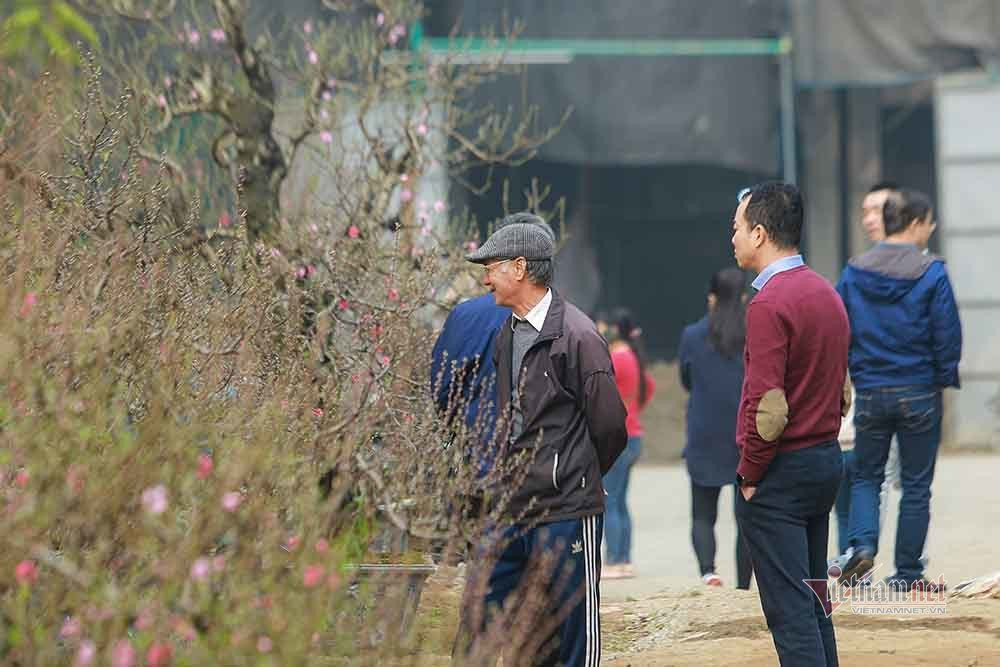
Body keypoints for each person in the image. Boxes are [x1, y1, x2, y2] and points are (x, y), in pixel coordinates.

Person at [462, 216, 628, 666]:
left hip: (566, 511)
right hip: (514, 506)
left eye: (491, 267)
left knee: (574, 637)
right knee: (514, 629)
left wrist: (579, 474)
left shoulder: (577, 336)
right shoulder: (505, 333)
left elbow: (611, 424)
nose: (485, 278)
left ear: (520, 268)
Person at [731, 182, 849, 666]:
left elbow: (769, 408)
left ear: (759, 233)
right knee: (814, 602)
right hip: (825, 459)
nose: (732, 238)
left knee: (790, 612)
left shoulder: (769, 303)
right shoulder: (826, 292)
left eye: (736, 228)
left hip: (782, 471)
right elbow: (841, 389)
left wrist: (750, 475)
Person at [835, 189, 962, 592]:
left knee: (866, 477)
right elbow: (947, 334)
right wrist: (943, 378)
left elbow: (839, 329)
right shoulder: (933, 272)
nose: (931, 230)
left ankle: (862, 546)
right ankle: (907, 574)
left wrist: (850, 374)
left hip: (871, 391)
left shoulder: (854, 271)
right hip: (920, 390)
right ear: (913, 223)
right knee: (916, 485)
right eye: (928, 223)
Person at [832, 181, 904, 564]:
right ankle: (858, 561)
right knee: (864, 485)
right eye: (865, 211)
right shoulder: (855, 273)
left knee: (904, 486)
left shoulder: (921, 269)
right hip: (868, 395)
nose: (869, 219)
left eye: (877, 210)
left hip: (907, 391)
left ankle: (907, 568)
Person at [678, 267, 754, 589]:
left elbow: (686, 379)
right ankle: (742, 586)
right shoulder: (755, 333)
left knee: (702, 513)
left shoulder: (692, 335)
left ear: (711, 298)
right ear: (744, 298)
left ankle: (709, 572)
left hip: (704, 433)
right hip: (744, 435)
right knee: (747, 519)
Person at [601, 308, 656, 580]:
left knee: (610, 501)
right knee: (620, 500)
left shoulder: (615, 358)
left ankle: (613, 560)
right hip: (633, 433)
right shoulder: (633, 356)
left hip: (616, 436)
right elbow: (650, 386)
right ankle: (624, 558)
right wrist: (633, 408)